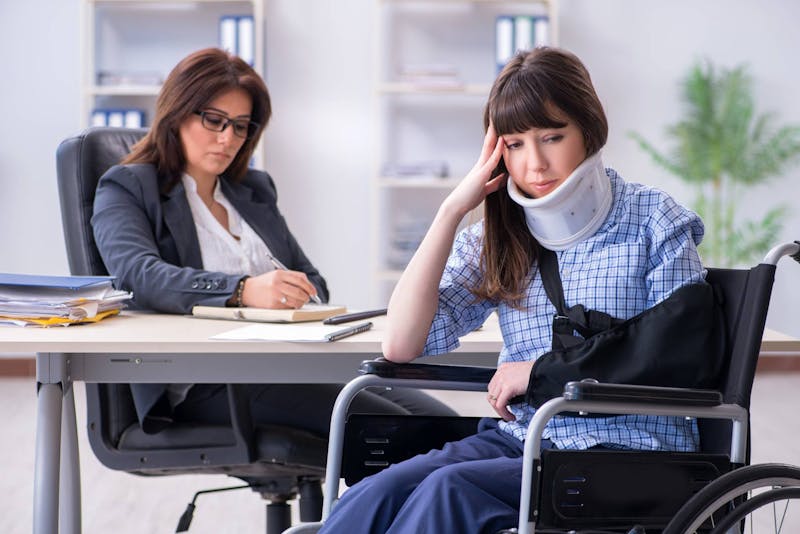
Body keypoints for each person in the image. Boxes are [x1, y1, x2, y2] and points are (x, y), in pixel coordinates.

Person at [319, 46, 707, 533]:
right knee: (380, 490)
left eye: (552, 136)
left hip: (628, 450)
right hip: (525, 440)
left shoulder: (654, 220)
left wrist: (541, 371)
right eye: (515, 143)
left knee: (449, 492)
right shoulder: (500, 237)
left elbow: (680, 350)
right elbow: (400, 343)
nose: (536, 164)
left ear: (589, 129)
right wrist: (451, 211)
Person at [92, 47, 454, 436]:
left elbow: (313, 282)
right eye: (214, 120)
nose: (227, 138)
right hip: (203, 382)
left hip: (284, 365)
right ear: (177, 113)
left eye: (241, 125)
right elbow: (137, 277)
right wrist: (243, 291)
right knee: (402, 433)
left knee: (447, 426)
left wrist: (293, 294)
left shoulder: (252, 190)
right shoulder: (128, 186)